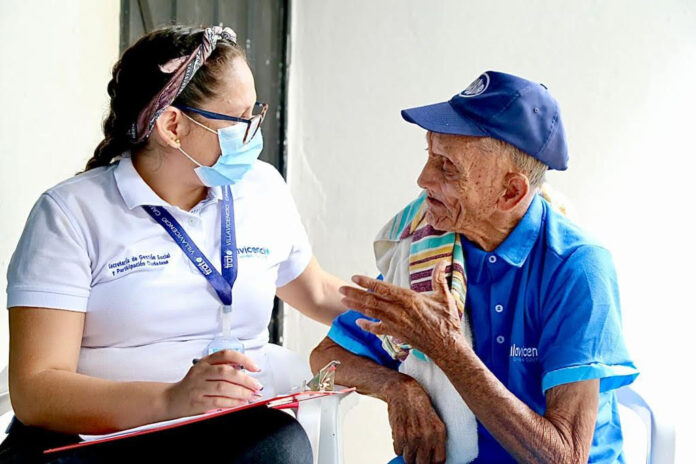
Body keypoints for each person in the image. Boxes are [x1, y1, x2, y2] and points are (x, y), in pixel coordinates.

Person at [1, 25, 346, 463]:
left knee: (283, 444)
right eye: (241, 120)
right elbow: (36, 388)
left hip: (226, 430)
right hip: (96, 440)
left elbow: (315, 291)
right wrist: (170, 401)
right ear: (173, 125)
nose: (254, 132)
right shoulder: (71, 213)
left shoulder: (262, 189)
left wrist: (404, 313)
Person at [311, 71, 638, 463]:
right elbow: (328, 355)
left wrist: (447, 348)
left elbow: (563, 457)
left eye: (448, 167)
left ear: (511, 192)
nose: (423, 179)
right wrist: (399, 389)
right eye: (429, 155)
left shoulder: (579, 269)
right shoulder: (431, 251)